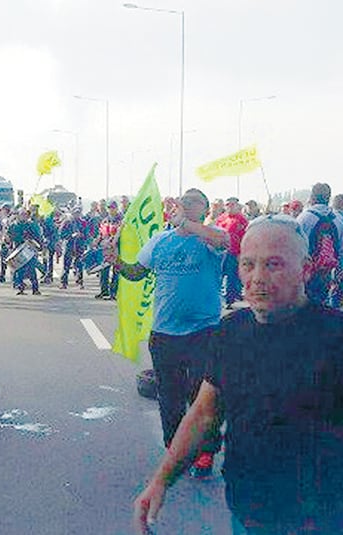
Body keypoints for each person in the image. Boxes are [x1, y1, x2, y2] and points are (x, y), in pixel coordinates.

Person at [133, 215, 343, 535]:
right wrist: (161, 480)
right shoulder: (229, 333)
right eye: (248, 264)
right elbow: (204, 415)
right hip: (247, 516)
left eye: (273, 264)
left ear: (306, 269)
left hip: (318, 522)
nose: (257, 278)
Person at [106, 188, 227, 478]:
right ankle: (176, 448)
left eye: (194, 200)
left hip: (204, 330)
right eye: (183, 198)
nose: (186, 202)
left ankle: (205, 452)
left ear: (205, 209)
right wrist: (117, 261)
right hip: (165, 332)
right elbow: (137, 272)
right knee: (169, 396)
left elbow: (223, 241)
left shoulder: (210, 238)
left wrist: (184, 224)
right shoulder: (160, 240)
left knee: (202, 396)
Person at [297, 182, 343, 308]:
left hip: (305, 271)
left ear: (312, 197)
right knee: (321, 306)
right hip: (326, 271)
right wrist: (339, 275)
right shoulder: (337, 220)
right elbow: (341, 251)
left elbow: (295, 247)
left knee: (303, 307)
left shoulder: (303, 218)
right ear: (328, 198)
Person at [216, 197, 249, 309]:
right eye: (228, 204)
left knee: (231, 276)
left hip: (234, 252)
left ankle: (229, 300)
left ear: (237, 206)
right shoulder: (221, 219)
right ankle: (218, 298)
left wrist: (242, 253)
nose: (230, 207)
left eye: (232, 204)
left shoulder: (242, 220)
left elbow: (245, 237)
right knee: (218, 275)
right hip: (221, 252)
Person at [7, 207, 44, 295]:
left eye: (25, 214)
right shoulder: (13, 225)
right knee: (19, 270)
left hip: (29, 250)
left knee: (31, 269)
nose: (24, 216)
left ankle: (35, 289)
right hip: (17, 249)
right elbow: (9, 237)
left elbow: (37, 237)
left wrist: (35, 244)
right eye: (22, 214)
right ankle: (20, 288)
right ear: (18, 215)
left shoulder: (31, 225)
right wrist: (8, 242)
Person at [59, 205, 89, 289]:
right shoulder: (67, 222)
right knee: (66, 265)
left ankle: (80, 282)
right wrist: (71, 235)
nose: (77, 214)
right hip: (69, 245)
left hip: (79, 246)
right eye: (75, 212)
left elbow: (87, 235)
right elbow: (61, 234)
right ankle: (63, 282)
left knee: (79, 265)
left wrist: (81, 235)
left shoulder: (83, 223)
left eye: (78, 213)